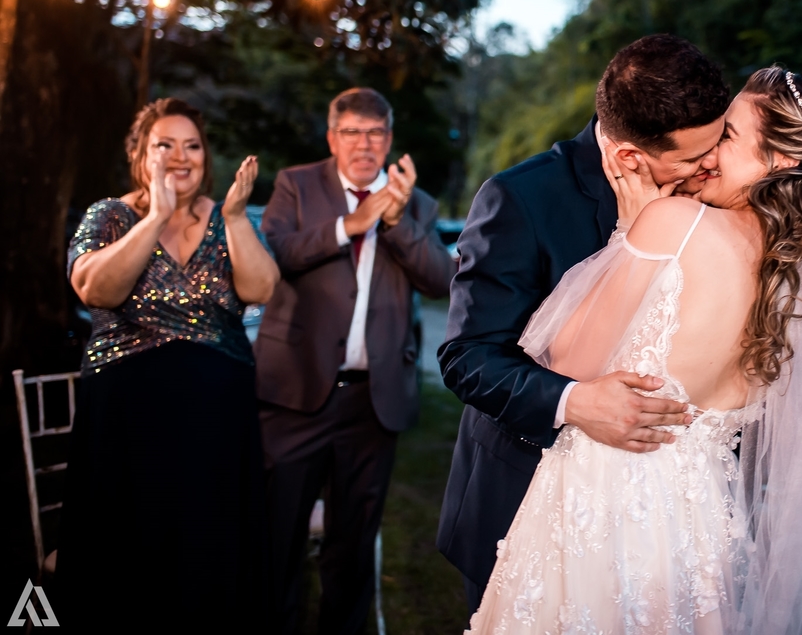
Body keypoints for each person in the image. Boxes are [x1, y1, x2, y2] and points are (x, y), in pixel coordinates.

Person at [468, 67, 802, 634]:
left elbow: (563, 363)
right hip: (700, 527)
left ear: (779, 159)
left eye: (727, 136)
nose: (708, 154)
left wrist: (628, 238)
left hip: (605, 506)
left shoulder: (673, 224)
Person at [437, 34, 728, 613]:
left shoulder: (711, 197)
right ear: (630, 157)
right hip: (525, 493)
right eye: (695, 157)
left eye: (718, 143)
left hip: (650, 512)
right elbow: (468, 356)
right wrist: (574, 401)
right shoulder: (522, 199)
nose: (712, 163)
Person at [56, 98, 279, 632]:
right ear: (139, 155)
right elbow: (95, 289)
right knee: (125, 560)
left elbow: (261, 288)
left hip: (216, 432)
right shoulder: (110, 215)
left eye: (192, 145)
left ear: (206, 156)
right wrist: (156, 215)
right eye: (165, 145)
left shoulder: (226, 217)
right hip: (126, 430)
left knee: (208, 558)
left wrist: (233, 217)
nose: (181, 156)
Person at [255, 88, 455, 635]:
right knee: (278, 537)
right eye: (352, 132)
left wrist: (394, 222)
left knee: (353, 544)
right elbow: (278, 255)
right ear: (332, 138)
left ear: (389, 140)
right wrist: (353, 223)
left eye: (375, 133)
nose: (364, 144)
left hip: (373, 400)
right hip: (295, 394)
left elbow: (440, 279)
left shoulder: (416, 203)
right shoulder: (296, 185)